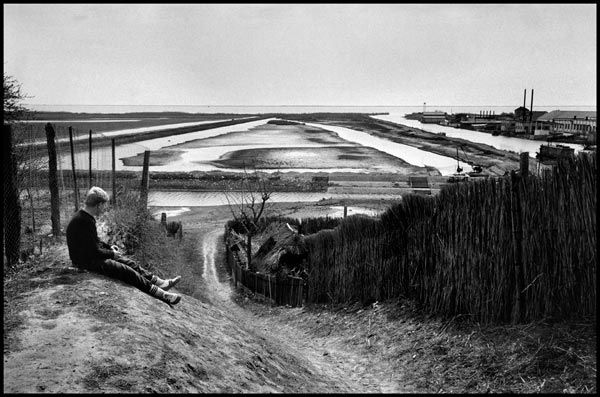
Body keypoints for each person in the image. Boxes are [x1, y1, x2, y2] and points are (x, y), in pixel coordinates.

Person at [66, 186, 182, 306]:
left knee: (128, 262)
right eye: (104, 205)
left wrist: (109, 247)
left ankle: (160, 282)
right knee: (126, 271)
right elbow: (93, 251)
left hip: (88, 257)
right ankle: (161, 294)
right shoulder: (84, 221)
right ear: (99, 205)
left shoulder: (84, 216)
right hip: (85, 262)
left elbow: (94, 241)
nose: (104, 208)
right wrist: (111, 254)